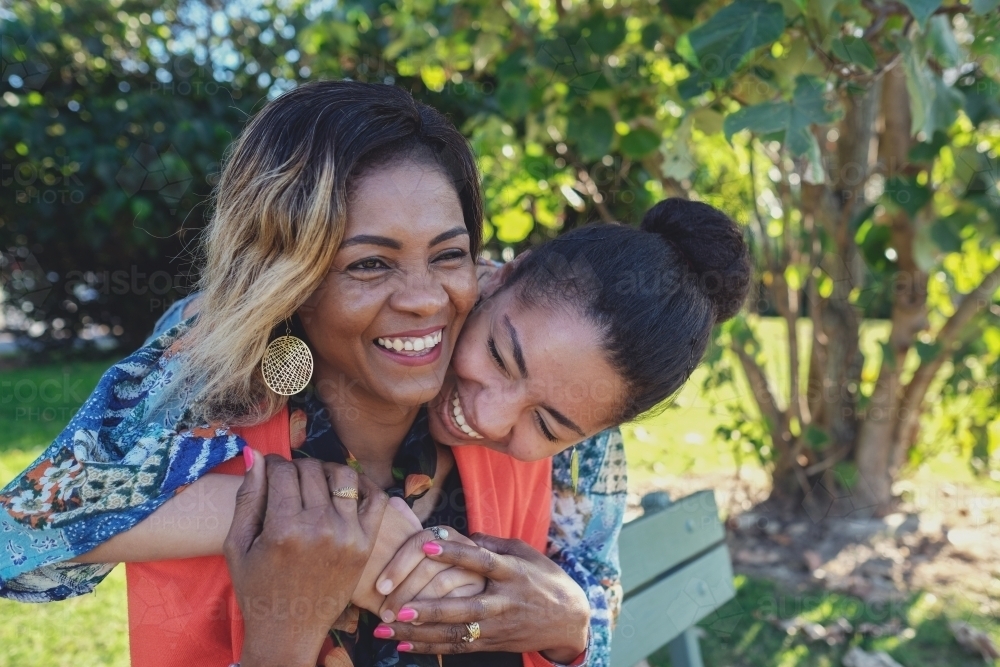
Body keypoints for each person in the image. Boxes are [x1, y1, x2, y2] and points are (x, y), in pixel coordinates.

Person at [0, 79, 752, 666]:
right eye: (368, 261)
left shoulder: (560, 380)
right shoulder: (215, 354)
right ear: (286, 274)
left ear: (482, 264)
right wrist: (309, 522)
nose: (426, 297)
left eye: (450, 253)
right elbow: (20, 540)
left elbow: (595, 581)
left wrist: (572, 620)